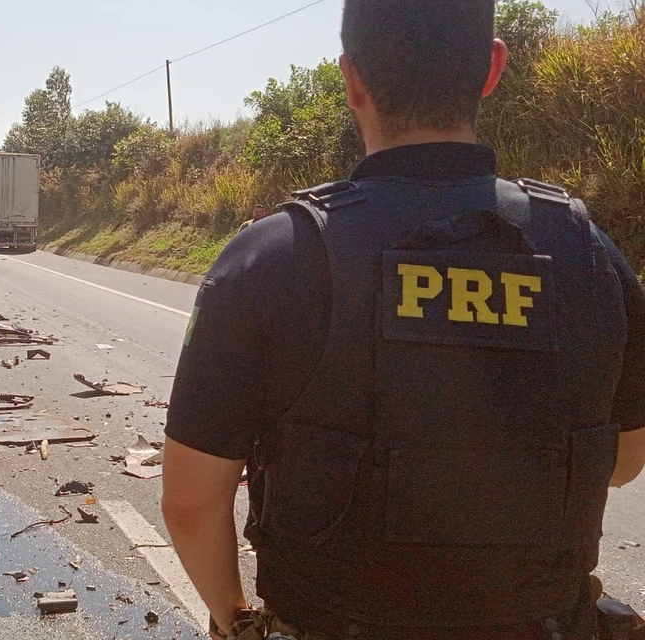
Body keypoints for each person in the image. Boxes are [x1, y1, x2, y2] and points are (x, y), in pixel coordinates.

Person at [160, 1, 645, 639]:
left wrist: (234, 620)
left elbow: (192, 502)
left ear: (352, 79)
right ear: (491, 70)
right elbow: (624, 460)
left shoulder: (273, 259)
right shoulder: (591, 254)